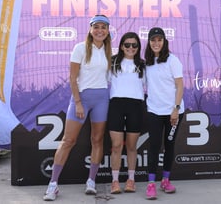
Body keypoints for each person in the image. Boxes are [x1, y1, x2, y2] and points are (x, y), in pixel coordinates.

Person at [43, 15, 112, 201]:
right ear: (90, 29)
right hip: (81, 99)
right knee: (68, 140)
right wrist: (79, 102)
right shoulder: (80, 48)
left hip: (102, 99)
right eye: (96, 27)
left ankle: (91, 181)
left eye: (103, 27)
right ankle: (53, 184)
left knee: (97, 140)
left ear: (108, 30)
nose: (100, 30)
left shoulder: (108, 51)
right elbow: (73, 78)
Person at [144, 27, 184, 200]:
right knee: (153, 147)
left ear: (164, 42)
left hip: (172, 112)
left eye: (159, 40)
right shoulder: (146, 63)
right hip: (153, 111)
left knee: (169, 146)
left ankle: (165, 180)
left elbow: (180, 85)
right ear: (149, 42)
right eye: (153, 40)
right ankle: (151, 184)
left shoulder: (172, 60)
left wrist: (175, 108)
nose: (156, 43)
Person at [107, 32, 146, 194]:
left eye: (134, 45)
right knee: (116, 146)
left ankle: (131, 180)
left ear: (138, 47)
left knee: (131, 146)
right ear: (122, 46)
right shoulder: (112, 62)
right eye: (127, 44)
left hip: (136, 106)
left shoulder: (144, 65)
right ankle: (115, 181)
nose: (131, 48)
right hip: (116, 105)